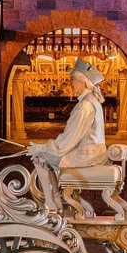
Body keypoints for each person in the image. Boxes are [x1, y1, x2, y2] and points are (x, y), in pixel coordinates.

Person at [26, 59, 108, 209]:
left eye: (72, 79)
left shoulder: (86, 105)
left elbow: (69, 139)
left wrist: (42, 148)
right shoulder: (89, 101)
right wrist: (46, 147)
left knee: (39, 157)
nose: (70, 83)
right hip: (91, 152)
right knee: (45, 156)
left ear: (83, 82)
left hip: (87, 156)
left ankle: (52, 204)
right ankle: (55, 201)